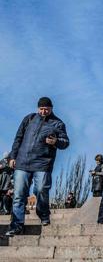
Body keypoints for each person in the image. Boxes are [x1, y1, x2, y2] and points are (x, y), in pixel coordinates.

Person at [6, 97, 70, 237]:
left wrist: (55, 141)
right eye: (41, 109)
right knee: (19, 195)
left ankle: (43, 214)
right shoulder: (29, 119)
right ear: (37, 108)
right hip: (22, 162)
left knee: (41, 190)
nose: (43, 111)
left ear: (51, 108)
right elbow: (18, 138)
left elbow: (65, 142)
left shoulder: (58, 123)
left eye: (46, 109)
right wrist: (12, 157)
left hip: (42, 163)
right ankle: (16, 225)